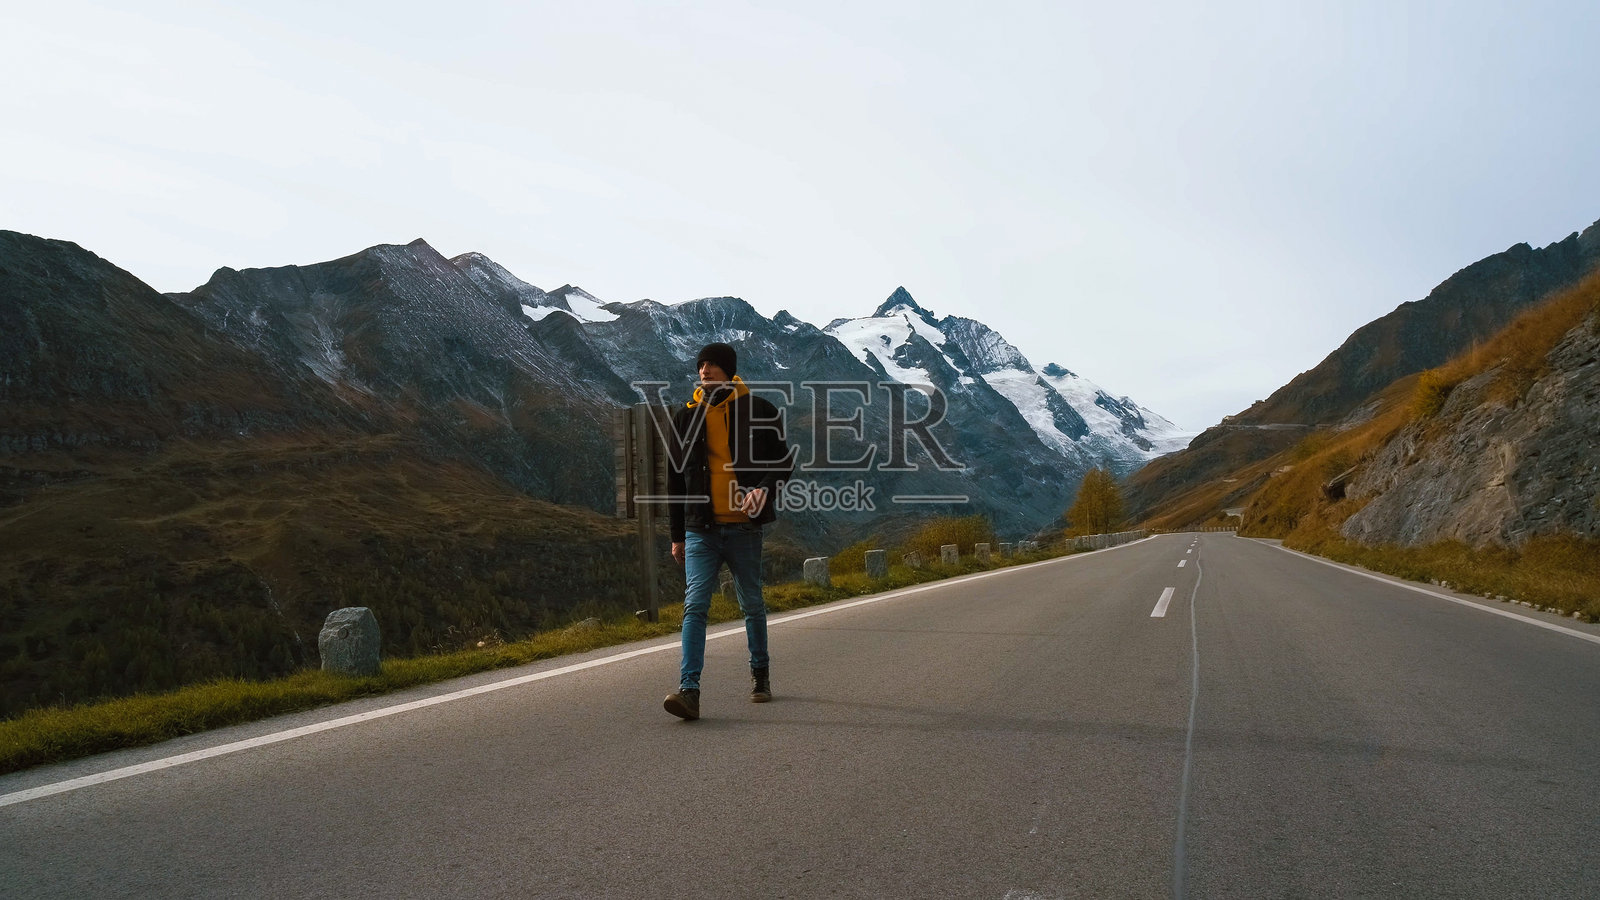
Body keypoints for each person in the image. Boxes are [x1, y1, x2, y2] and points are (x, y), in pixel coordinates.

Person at [662, 342, 792, 721]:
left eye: (713, 365)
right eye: (701, 365)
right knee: (695, 604)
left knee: (751, 603)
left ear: (729, 370)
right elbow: (675, 479)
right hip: (700, 529)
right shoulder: (684, 418)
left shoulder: (760, 411)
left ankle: (760, 674)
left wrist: (763, 489)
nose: (704, 371)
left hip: (743, 529)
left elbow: (783, 464)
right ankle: (689, 691)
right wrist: (676, 534)